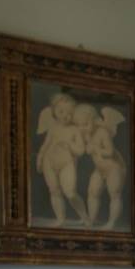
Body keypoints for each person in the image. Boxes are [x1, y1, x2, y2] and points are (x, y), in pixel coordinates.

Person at [35, 93, 90, 226]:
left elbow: (81, 151)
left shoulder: (75, 130)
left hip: (67, 163)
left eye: (70, 113)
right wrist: (40, 158)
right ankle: (60, 219)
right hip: (49, 162)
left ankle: (85, 217)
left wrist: (70, 145)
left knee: (70, 193)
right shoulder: (53, 128)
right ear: (54, 111)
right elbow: (45, 145)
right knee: (54, 191)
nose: (65, 115)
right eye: (61, 111)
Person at [74, 103, 127, 231]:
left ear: (95, 121)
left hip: (114, 168)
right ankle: (91, 219)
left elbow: (110, 152)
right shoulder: (86, 134)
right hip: (99, 169)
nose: (82, 128)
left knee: (114, 194)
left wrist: (96, 148)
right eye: (79, 125)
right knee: (92, 192)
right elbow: (87, 150)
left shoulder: (103, 132)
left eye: (85, 124)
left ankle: (112, 222)